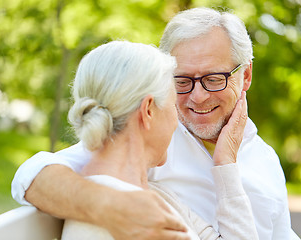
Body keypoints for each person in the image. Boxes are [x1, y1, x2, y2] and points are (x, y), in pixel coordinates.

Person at [12, 7, 298, 240]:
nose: (198, 97)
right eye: (183, 81)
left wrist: (226, 162)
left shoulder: (265, 159)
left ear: (245, 75)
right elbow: (31, 175)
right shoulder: (148, 141)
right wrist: (109, 206)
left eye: (213, 79)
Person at [58, 40, 258, 240]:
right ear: (148, 111)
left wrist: (226, 161)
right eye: (173, 105)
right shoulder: (131, 220)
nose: (176, 121)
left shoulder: (157, 195)